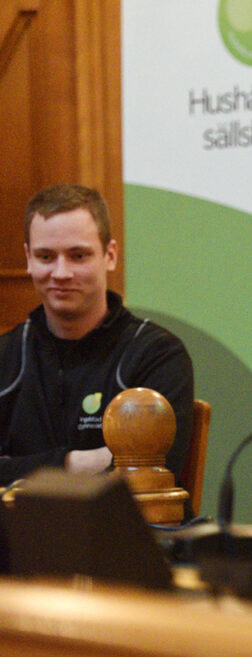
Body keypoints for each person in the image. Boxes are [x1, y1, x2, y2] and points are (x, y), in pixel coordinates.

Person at [0, 184, 193, 484]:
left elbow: (152, 475)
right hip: (16, 531)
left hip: (126, 531)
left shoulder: (157, 354)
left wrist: (18, 469)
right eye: (46, 256)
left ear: (110, 255)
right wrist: (77, 462)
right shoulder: (5, 356)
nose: (61, 273)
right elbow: (120, 468)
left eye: (78, 256)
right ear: (28, 258)